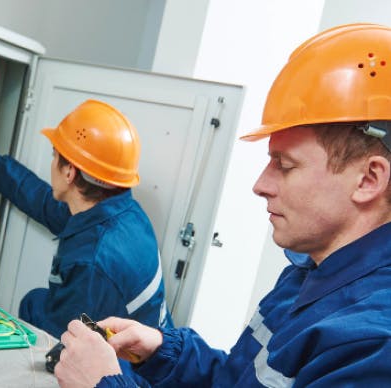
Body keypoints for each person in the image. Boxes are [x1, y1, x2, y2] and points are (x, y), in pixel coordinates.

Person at [54, 23, 391, 387]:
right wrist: (163, 351)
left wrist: (102, 384)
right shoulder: (308, 275)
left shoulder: (372, 345)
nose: (260, 185)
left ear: (368, 179)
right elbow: (238, 380)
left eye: (286, 165)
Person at [0, 99, 173, 339]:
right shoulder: (123, 213)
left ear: (69, 172)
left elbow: (66, 346)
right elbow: (43, 202)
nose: (52, 163)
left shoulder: (92, 262)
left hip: (128, 369)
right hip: (148, 341)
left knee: (34, 307)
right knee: (35, 302)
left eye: (55, 156)